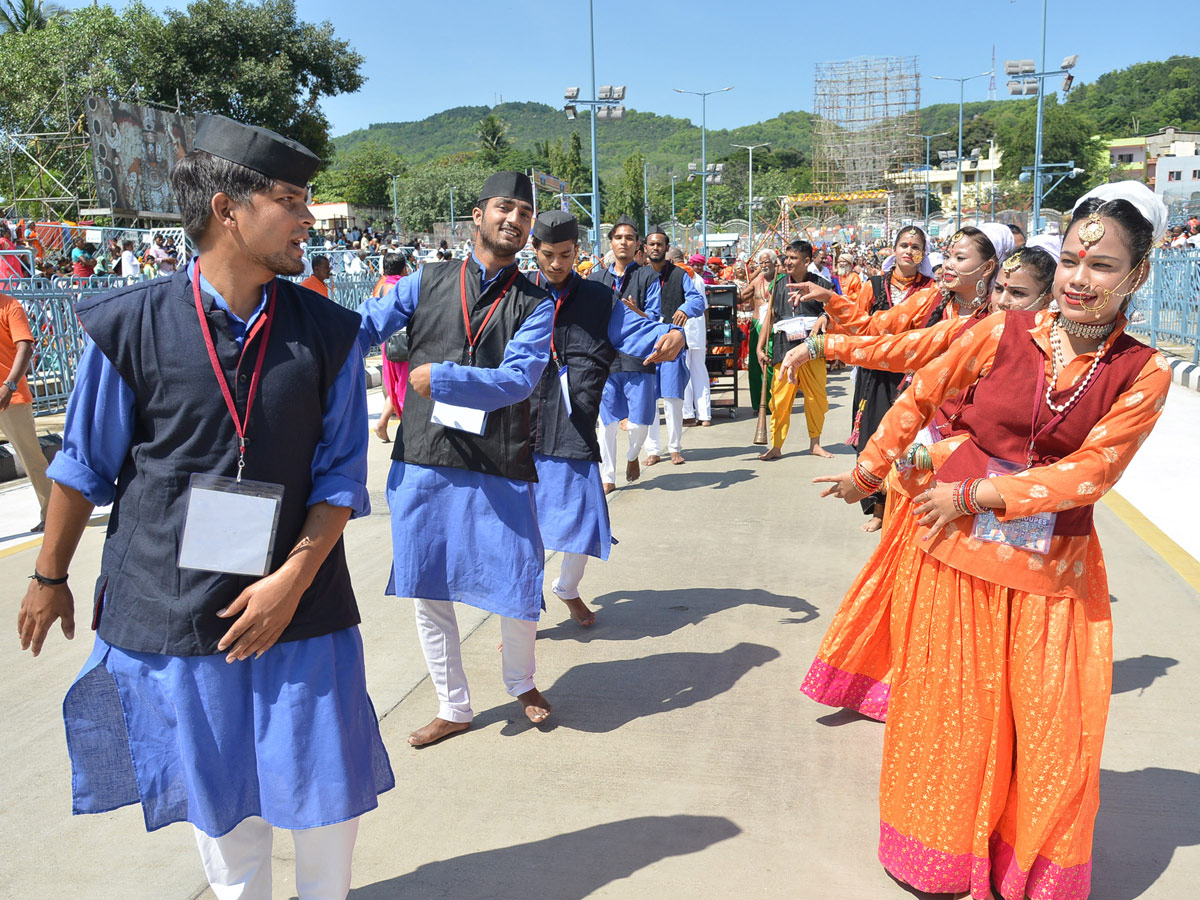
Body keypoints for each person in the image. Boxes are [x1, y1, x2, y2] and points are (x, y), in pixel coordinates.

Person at [17, 113, 392, 900]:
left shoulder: (327, 332)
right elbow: (83, 466)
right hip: (179, 608)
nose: (306, 218)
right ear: (228, 208)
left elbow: (339, 479)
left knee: (326, 798)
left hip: (301, 604)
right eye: (290, 200)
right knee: (221, 807)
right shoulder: (130, 325)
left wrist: (290, 580)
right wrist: (48, 576)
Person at [809, 181, 1170, 899]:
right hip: (956, 562)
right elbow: (917, 395)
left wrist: (979, 492)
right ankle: (933, 859)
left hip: (1051, 576)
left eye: (1100, 267)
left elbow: (1091, 473)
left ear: (1138, 275)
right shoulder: (1000, 333)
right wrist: (868, 473)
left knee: (1047, 735)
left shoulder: (1144, 372)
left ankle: (1023, 868)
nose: (1077, 278)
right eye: (1070, 259)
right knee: (951, 718)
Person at [358, 171, 556, 747]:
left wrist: (441, 377)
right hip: (425, 455)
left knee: (519, 578)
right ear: (477, 215)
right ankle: (454, 705)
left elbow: (519, 379)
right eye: (504, 207)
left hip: (499, 456)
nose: (514, 219)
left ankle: (521, 683)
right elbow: (363, 328)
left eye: (524, 211)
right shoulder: (424, 282)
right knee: (429, 585)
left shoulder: (534, 302)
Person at [527, 211, 684, 626]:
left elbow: (640, 331)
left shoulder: (599, 299)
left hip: (573, 428)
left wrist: (673, 335)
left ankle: (567, 588)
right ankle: (521, 616)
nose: (557, 264)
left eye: (565, 254)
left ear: (577, 252)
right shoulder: (518, 295)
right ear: (534, 252)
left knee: (585, 521)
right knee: (522, 534)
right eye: (548, 255)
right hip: (518, 429)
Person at [757, 240, 834, 460]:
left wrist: (825, 316)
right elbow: (770, 318)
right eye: (787, 257)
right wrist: (759, 347)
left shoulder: (822, 284)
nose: (787, 262)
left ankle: (815, 444)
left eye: (793, 258)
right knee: (780, 399)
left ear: (807, 261)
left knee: (815, 398)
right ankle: (776, 445)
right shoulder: (778, 285)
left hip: (813, 348)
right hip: (784, 348)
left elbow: (836, 315)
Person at [591, 215, 650, 492]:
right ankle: (608, 477)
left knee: (638, 424)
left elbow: (658, 318)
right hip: (606, 359)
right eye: (618, 237)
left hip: (638, 358)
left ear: (637, 244)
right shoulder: (595, 280)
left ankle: (633, 455)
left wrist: (641, 315)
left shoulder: (648, 276)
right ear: (611, 242)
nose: (623, 242)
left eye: (629, 238)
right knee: (607, 424)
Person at [640, 225, 706, 464]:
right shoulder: (639, 275)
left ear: (666, 248)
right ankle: (653, 450)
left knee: (673, 398)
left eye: (660, 244)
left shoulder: (679, 275)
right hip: (645, 344)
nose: (655, 248)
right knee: (648, 400)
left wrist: (685, 309)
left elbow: (698, 299)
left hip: (672, 345)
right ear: (645, 248)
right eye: (652, 244)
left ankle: (675, 446)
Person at [0, 289, 52, 531]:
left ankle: (52, 513)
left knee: (30, 457)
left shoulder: (10, 306)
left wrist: (9, 386)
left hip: (11, 397)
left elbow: (26, 348)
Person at [373, 252, 411, 442]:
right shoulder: (402, 286)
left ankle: (382, 422)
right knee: (404, 385)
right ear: (403, 268)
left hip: (387, 342)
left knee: (394, 385)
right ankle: (407, 432)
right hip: (403, 342)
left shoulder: (382, 286)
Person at [746, 249, 782, 422]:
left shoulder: (782, 280)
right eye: (761, 263)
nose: (763, 265)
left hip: (774, 327)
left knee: (769, 364)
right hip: (756, 325)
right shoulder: (756, 282)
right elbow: (742, 297)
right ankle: (757, 404)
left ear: (775, 263)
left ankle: (772, 403)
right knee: (754, 365)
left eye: (767, 262)